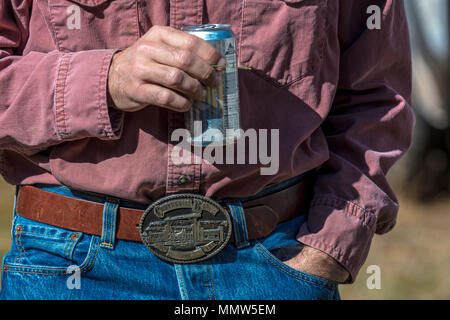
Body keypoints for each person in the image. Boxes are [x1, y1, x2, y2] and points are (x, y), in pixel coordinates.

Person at [0, 0, 414, 300]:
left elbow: (376, 95)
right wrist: (106, 79)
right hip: (71, 266)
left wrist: (331, 246)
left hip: (273, 261)